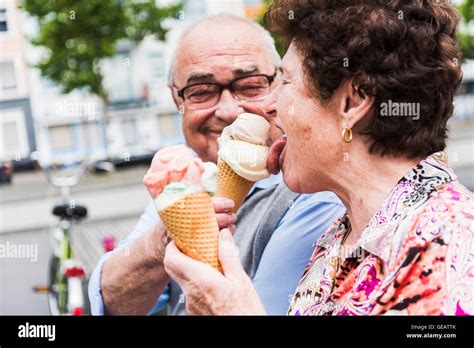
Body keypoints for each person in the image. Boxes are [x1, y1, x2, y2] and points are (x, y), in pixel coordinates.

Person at [163, 0, 474, 315]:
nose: (268, 105)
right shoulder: (339, 238)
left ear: (353, 103)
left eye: (285, 82)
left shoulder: (448, 244)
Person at [88, 14, 344, 315]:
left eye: (249, 86)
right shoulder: (188, 177)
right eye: (201, 91)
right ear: (177, 100)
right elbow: (113, 304)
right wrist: (164, 239)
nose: (228, 111)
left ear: (280, 86)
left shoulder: (311, 189)